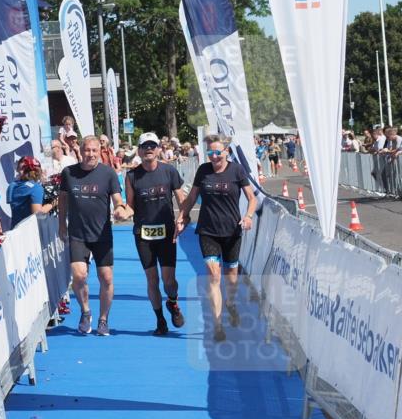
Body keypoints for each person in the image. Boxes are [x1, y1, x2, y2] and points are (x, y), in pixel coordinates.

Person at [176, 135, 257, 342]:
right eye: (210, 153)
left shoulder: (236, 170)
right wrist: (181, 216)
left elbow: (252, 198)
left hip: (232, 231)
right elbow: (192, 197)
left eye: (217, 152)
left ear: (226, 152)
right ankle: (218, 325)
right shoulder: (203, 170)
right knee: (213, 275)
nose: (213, 156)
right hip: (208, 230)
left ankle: (230, 303)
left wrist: (247, 217)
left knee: (231, 275)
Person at [58, 136, 132, 336]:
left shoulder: (108, 174)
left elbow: (118, 199)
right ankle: (85, 311)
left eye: (94, 150)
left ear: (100, 151)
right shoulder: (68, 173)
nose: (90, 154)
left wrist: (120, 209)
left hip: (101, 234)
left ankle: (103, 319)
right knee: (79, 275)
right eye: (87, 150)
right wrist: (61, 224)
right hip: (77, 233)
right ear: (80, 151)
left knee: (106, 278)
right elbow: (63, 199)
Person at [124, 132, 187, 336]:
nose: (149, 149)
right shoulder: (132, 176)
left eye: (152, 145)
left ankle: (173, 302)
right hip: (143, 235)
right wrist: (122, 211)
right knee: (152, 279)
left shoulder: (169, 171)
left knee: (169, 281)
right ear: (139, 151)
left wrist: (183, 217)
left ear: (159, 149)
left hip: (167, 232)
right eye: (145, 146)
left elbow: (181, 198)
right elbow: (130, 206)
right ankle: (160, 320)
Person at [6, 156, 45, 226]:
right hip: (29, 232)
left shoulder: (12, 186)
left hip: (15, 230)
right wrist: (52, 204)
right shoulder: (36, 187)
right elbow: (38, 214)